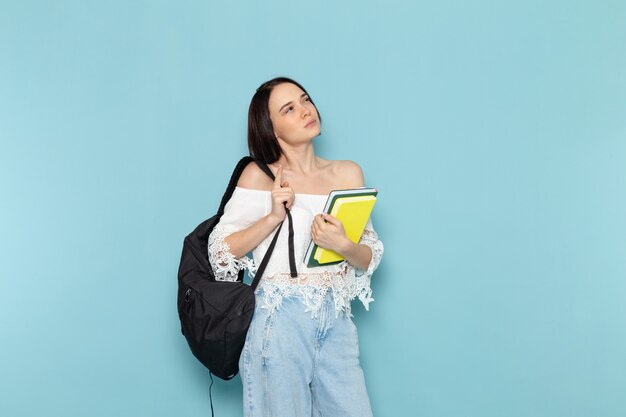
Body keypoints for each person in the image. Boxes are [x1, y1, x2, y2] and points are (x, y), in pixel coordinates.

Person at [207, 76, 384, 417]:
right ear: (270, 128)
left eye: (305, 100)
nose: (305, 110)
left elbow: (368, 256)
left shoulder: (347, 174)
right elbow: (221, 252)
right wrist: (273, 217)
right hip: (279, 321)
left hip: (336, 320)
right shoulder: (259, 177)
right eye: (289, 109)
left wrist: (343, 244)